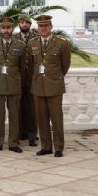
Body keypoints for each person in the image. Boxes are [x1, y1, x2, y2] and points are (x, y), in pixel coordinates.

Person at [27, 15, 71, 157]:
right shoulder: (32, 43)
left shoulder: (61, 43)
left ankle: (58, 147)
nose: (43, 28)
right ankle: (46, 146)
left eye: (46, 26)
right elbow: (30, 64)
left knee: (56, 119)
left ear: (51, 27)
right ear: (38, 28)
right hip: (38, 85)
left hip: (54, 86)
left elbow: (65, 65)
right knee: (41, 118)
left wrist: (54, 77)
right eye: (41, 26)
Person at [0, 17, 26, 153]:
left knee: (14, 115)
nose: (6, 30)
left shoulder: (20, 45)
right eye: (3, 28)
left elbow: (22, 66)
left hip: (14, 83)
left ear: (12, 29)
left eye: (8, 28)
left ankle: (13, 143)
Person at [14, 14, 39, 146]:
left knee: (31, 109)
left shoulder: (36, 38)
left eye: (26, 23)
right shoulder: (14, 38)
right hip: (17, 78)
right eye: (22, 22)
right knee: (18, 108)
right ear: (19, 24)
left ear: (30, 24)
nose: (24, 24)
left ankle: (32, 135)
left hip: (31, 78)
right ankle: (20, 133)